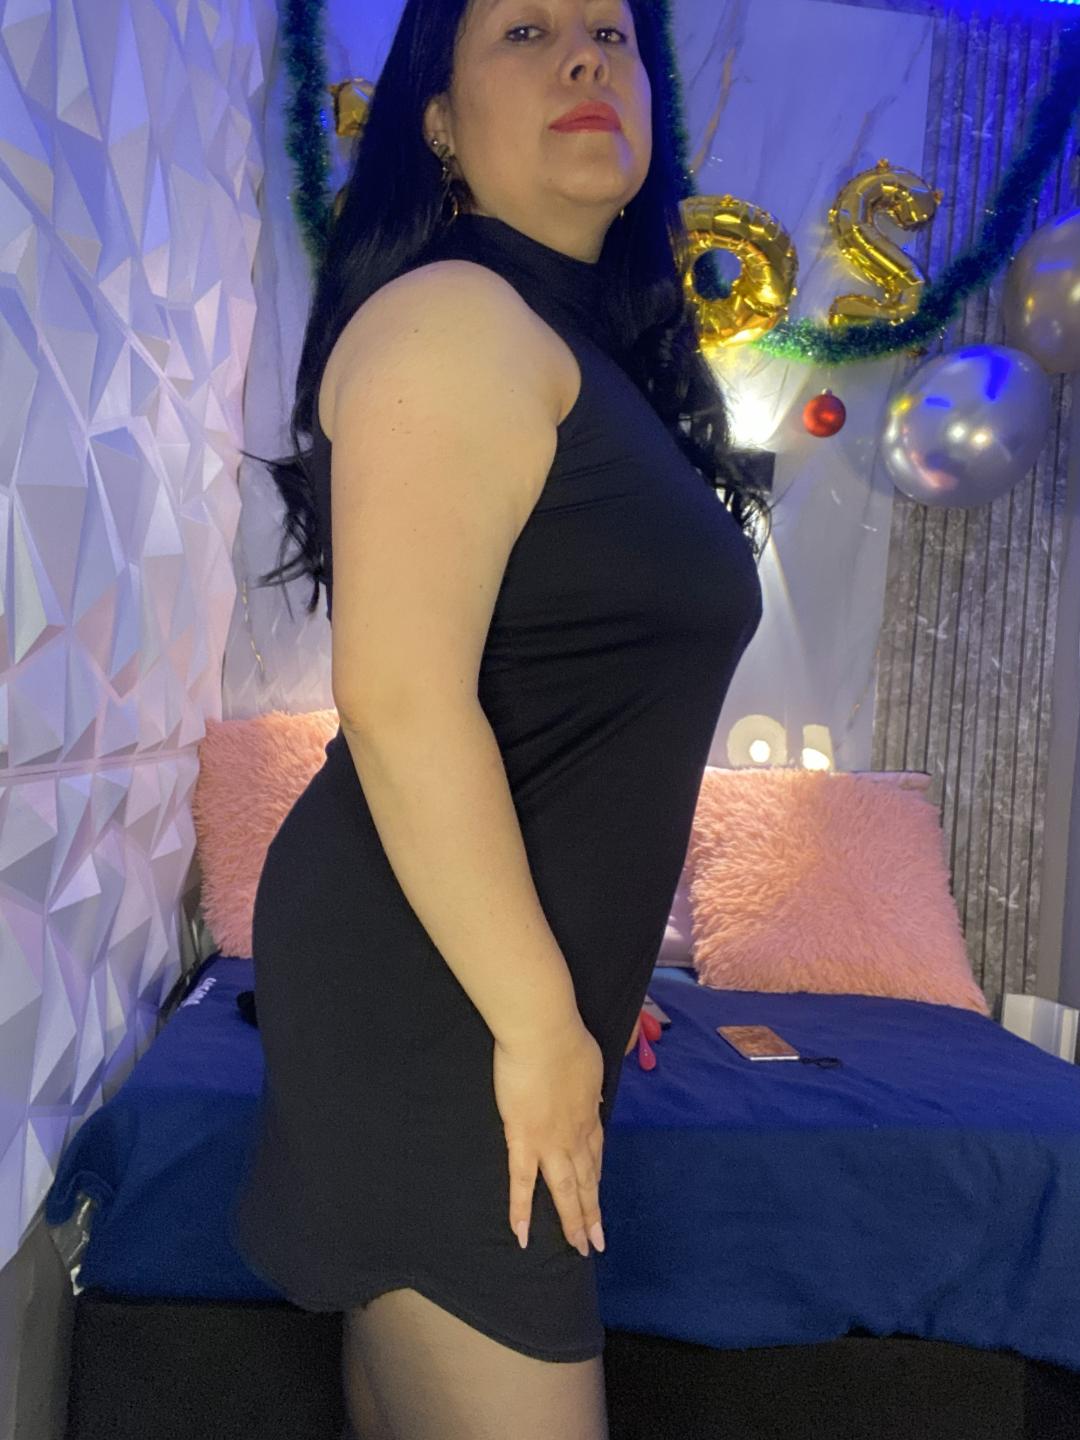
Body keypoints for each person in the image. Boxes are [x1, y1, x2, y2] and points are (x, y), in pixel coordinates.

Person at [230, 0, 769, 1435]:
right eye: (525, 31)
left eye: (610, 32)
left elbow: (560, 715)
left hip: (478, 969)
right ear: (440, 122)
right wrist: (538, 1020)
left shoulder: (570, 345)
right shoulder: (455, 318)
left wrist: (577, 978)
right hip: (434, 997)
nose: (587, 56)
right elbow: (400, 702)